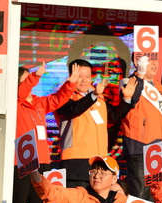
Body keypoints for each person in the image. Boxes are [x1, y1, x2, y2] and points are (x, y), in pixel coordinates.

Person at [14, 62, 79, 203]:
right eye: (26, 78)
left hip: (42, 162)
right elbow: (21, 91)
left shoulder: (39, 104)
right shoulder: (16, 102)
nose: (30, 81)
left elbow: (58, 99)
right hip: (23, 161)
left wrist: (71, 83)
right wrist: (35, 75)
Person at [54, 59, 130, 189]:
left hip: (98, 161)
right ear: (71, 76)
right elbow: (74, 109)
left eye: (87, 76)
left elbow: (115, 115)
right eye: (80, 76)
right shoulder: (63, 97)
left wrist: (127, 99)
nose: (84, 80)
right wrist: (93, 95)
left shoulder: (99, 98)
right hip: (75, 162)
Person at [119, 55, 162, 203]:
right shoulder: (128, 82)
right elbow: (129, 102)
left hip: (158, 149)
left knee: (156, 197)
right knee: (140, 198)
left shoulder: (161, 88)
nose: (153, 64)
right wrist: (140, 75)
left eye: (155, 59)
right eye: (148, 60)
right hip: (139, 147)